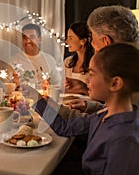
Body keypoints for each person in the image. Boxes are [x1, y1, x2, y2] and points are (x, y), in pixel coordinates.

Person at [36, 43, 139, 174]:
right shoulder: (104, 115)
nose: (87, 80)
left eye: (92, 74)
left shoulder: (124, 140)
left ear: (115, 83)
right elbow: (65, 128)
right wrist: (38, 101)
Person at [69, 5, 139, 111]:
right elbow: (117, 109)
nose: (92, 44)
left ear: (106, 41)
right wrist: (90, 106)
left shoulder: (129, 72)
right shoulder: (126, 62)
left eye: (92, 39)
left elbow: (121, 120)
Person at [11, 23, 61, 90]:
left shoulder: (49, 60)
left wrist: (49, 86)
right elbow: (6, 87)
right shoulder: (14, 61)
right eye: (25, 38)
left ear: (39, 39)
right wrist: (14, 85)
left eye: (32, 37)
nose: (28, 41)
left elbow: (58, 84)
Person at [64, 22, 95, 95]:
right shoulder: (68, 62)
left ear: (83, 41)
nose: (66, 41)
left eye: (70, 38)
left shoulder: (94, 62)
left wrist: (83, 88)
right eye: (67, 38)